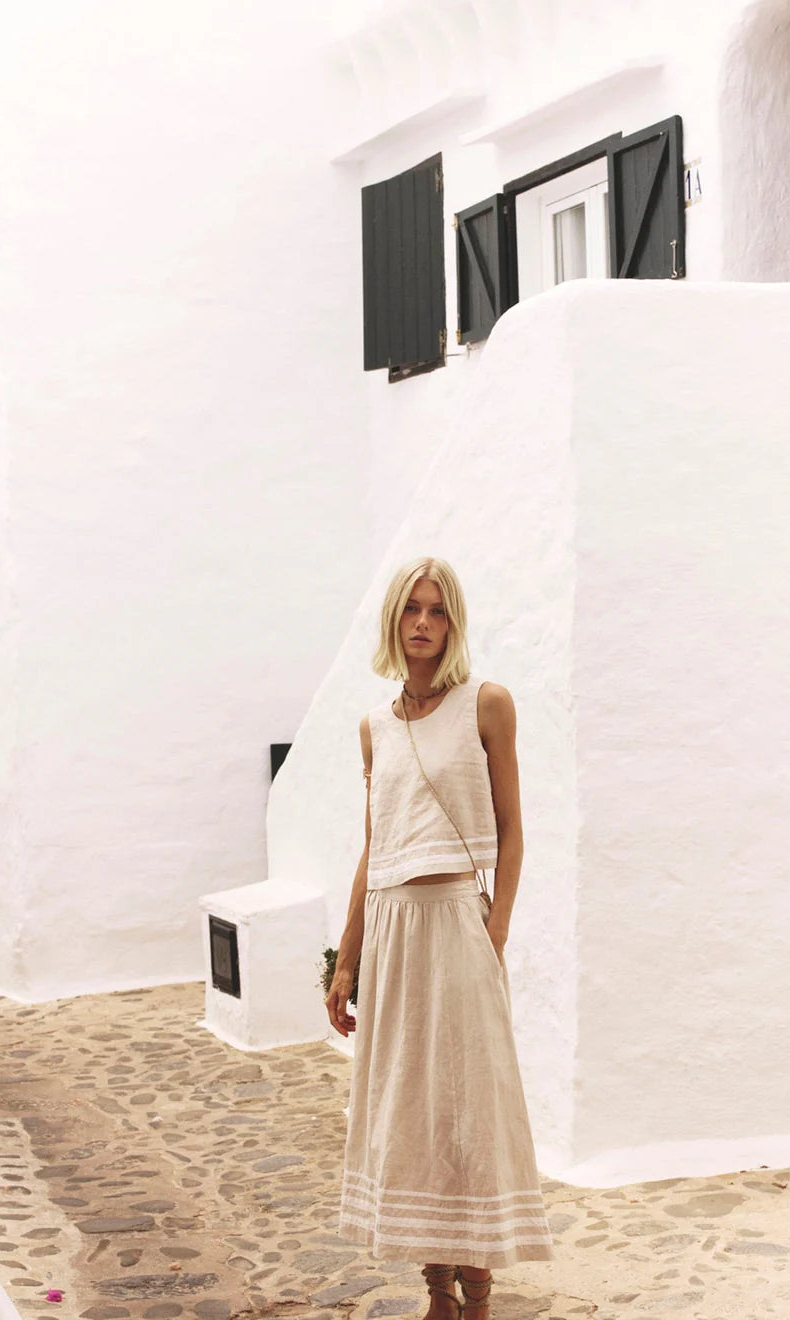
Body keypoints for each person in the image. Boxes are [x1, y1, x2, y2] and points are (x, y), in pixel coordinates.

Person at [325, 556, 553, 1320]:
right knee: (411, 1112)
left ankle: (480, 1292)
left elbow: (514, 829)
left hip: (457, 922)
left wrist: (495, 932)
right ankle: (436, 1294)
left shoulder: (487, 705)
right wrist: (347, 957)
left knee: (469, 1111)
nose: (423, 623)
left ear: (453, 623)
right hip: (392, 933)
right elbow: (374, 846)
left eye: (438, 611)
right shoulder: (374, 728)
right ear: (394, 620)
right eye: (412, 610)